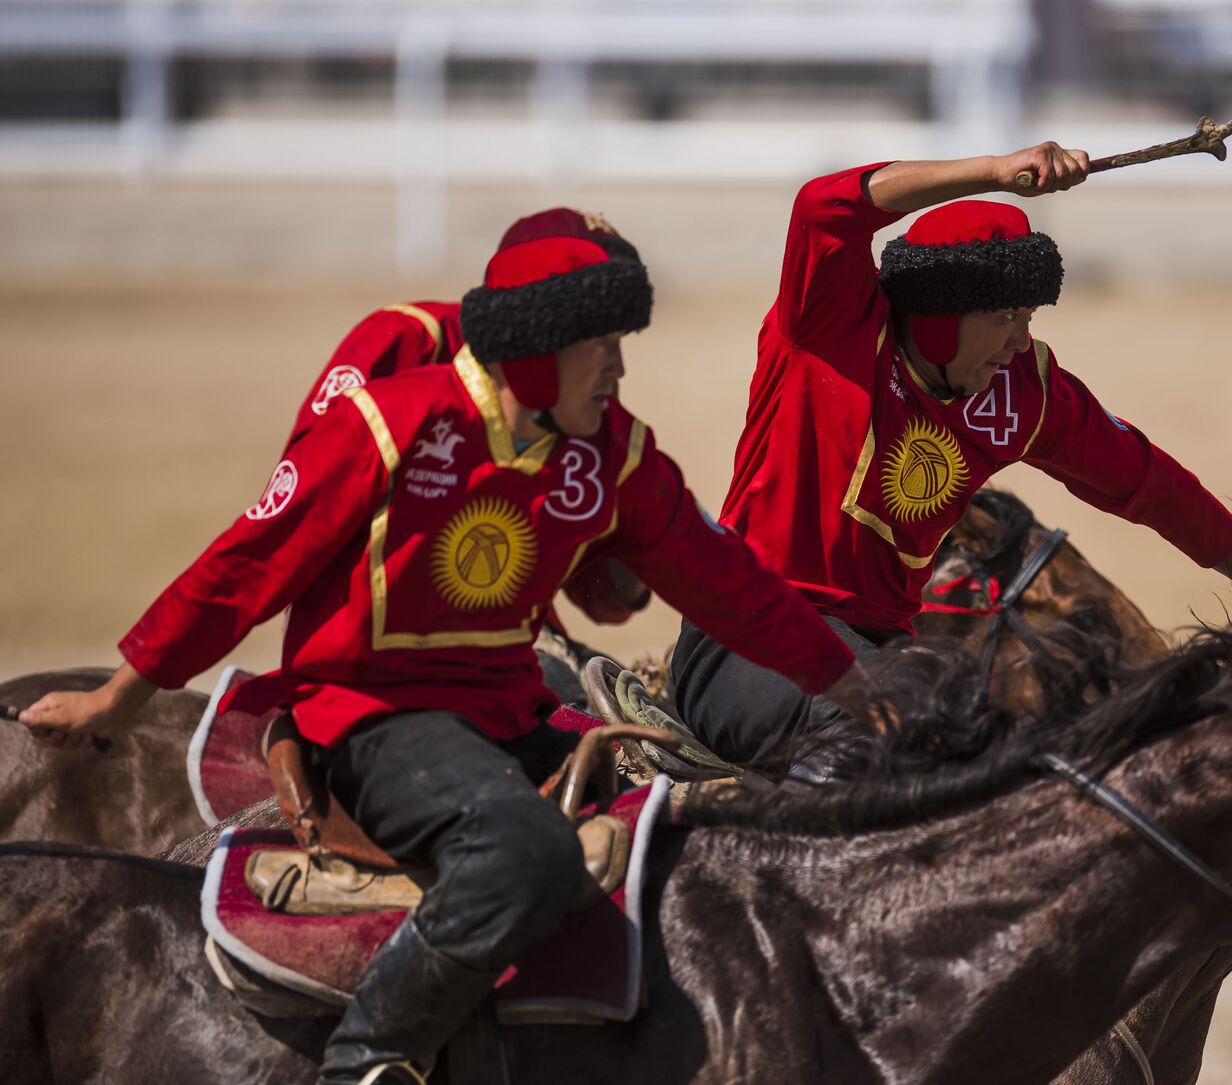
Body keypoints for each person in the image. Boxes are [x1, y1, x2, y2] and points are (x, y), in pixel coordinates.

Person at [20, 227, 876, 1084]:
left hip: (507, 713)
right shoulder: (389, 426)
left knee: (670, 823)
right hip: (373, 720)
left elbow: (727, 582)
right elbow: (244, 568)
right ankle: (366, 1054)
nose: (618, 366)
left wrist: (849, 682)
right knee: (526, 854)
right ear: (535, 357)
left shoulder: (612, 454)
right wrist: (116, 700)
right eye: (600, 345)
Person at [673, 143, 1232, 773]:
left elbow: (1156, 487)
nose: (1021, 341)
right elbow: (822, 207)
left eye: (1027, 316)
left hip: (884, 654)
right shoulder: (830, 325)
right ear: (939, 315)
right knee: (892, 726)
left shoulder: (1023, 393)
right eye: (1003, 317)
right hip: (746, 635)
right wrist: (995, 172)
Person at [292, 207, 652, 625]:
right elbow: (300, 512)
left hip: (508, 641)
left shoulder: (581, 399)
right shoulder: (408, 341)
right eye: (595, 313)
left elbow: (607, 597)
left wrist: (641, 508)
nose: (614, 358)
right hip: (369, 633)